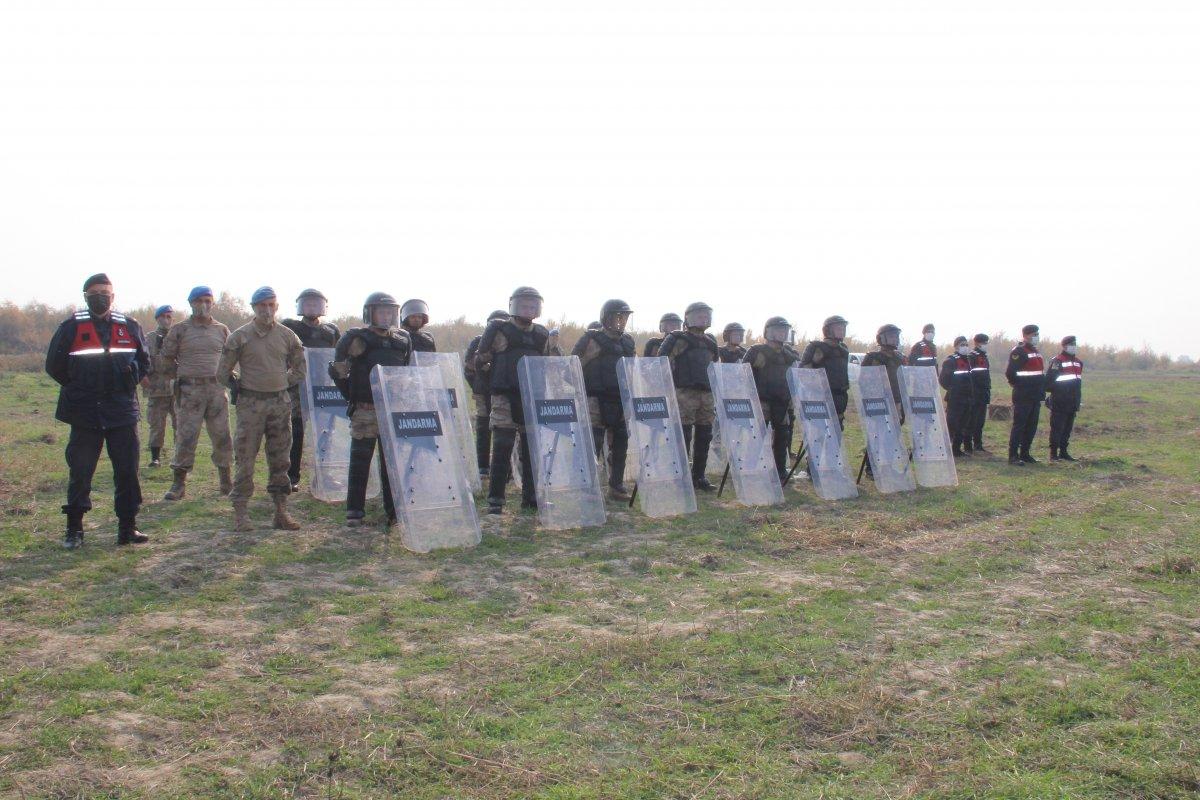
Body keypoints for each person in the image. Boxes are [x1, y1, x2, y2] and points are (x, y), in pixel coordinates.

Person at [45, 274, 150, 548]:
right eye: (95, 293)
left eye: (106, 292)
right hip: (84, 413)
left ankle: (128, 528)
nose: (101, 297)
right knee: (80, 472)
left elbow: (144, 360)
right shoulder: (70, 327)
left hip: (122, 412)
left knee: (127, 472)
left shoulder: (129, 326)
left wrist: (132, 375)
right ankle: (75, 531)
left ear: (113, 297)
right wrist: (78, 388)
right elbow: (54, 366)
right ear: (86, 296)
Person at [218, 287, 306, 531]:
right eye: (261, 306)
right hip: (251, 406)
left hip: (279, 404)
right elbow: (222, 372)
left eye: (271, 305)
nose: (266, 310)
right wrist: (240, 385)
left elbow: (300, 370)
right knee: (245, 458)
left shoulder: (288, 336)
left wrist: (279, 382)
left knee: (281, 460)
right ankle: (241, 513)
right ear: (253, 307)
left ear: (276, 307)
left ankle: (280, 512)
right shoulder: (240, 336)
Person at [331, 292, 411, 527]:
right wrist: (354, 397)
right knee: (360, 460)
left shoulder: (403, 339)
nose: (386, 317)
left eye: (390, 312)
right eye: (381, 312)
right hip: (365, 409)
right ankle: (355, 511)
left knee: (391, 462)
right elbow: (338, 372)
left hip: (392, 409)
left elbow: (405, 372)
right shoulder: (355, 338)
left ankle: (393, 511)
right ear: (370, 313)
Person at [476, 287, 549, 514]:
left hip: (530, 397)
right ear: (514, 306)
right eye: (524, 305)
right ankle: (496, 500)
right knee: (502, 447)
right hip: (504, 396)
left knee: (531, 450)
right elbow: (481, 362)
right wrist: (495, 386)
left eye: (532, 305)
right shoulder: (499, 330)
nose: (528, 309)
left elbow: (545, 363)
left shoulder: (541, 334)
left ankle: (530, 497)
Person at [160, 286, 234, 500]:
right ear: (191, 303)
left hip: (216, 390)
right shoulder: (180, 330)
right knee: (186, 436)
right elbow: (166, 358)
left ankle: (226, 481)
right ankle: (178, 484)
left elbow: (230, 356)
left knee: (222, 436)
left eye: (208, 300)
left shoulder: (222, 330)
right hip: (189, 390)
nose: (204, 305)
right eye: (199, 300)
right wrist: (182, 375)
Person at [573, 299, 636, 500]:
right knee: (593, 442)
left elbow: (633, 369)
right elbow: (570, 368)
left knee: (621, 442)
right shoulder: (589, 339)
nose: (622, 321)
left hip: (620, 398)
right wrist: (589, 357)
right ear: (606, 318)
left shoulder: (628, 341)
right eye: (618, 316)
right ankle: (587, 487)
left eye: (624, 317)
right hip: (595, 397)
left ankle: (616, 486)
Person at [281, 289, 340, 492]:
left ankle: (323, 476)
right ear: (300, 306)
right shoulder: (290, 327)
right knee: (294, 432)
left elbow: (337, 357)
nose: (312, 307)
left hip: (322, 387)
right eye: (308, 304)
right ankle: (291, 476)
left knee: (325, 433)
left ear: (323, 306)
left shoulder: (331, 331)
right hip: (297, 387)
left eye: (316, 304)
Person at [659, 301, 718, 491]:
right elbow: (661, 362)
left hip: (706, 394)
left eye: (706, 315)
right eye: (699, 315)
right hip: (684, 392)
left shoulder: (711, 341)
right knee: (683, 435)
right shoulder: (677, 339)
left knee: (705, 434)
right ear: (689, 318)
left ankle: (699, 476)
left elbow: (714, 365)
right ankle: (680, 476)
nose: (704, 318)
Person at [743, 316, 799, 482]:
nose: (782, 334)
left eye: (784, 331)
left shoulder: (789, 354)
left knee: (783, 435)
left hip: (782, 401)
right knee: (757, 435)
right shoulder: (756, 351)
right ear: (768, 332)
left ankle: (780, 470)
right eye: (778, 330)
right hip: (762, 400)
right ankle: (750, 469)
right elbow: (743, 374)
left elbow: (796, 375)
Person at [464, 309, 509, 477]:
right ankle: (482, 465)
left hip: (504, 390)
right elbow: (469, 366)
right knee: (483, 427)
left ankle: (507, 469)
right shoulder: (478, 341)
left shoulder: (509, 341)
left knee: (504, 429)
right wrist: (480, 379)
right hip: (483, 390)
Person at [1005, 324, 1045, 465]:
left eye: (1037, 334)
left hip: (1035, 395)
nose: (1036, 337)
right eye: (1034, 334)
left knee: (1031, 426)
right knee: (1020, 425)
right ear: (1026, 335)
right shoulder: (1019, 351)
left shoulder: (1036, 351)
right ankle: (1013, 456)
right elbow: (1010, 373)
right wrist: (1019, 385)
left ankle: (1025, 453)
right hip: (1023, 394)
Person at [800, 315, 851, 426]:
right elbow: (802, 373)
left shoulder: (843, 350)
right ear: (828, 330)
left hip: (840, 398)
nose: (842, 331)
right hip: (819, 397)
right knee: (816, 434)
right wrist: (813, 362)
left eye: (843, 328)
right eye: (838, 328)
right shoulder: (815, 347)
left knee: (836, 433)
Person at [143, 305, 176, 467]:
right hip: (156, 387)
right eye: (163, 317)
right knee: (157, 424)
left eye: (169, 317)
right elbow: (142, 359)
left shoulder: (178, 336)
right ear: (157, 319)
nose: (166, 320)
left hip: (177, 388)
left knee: (181, 423)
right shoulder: (148, 338)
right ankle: (155, 457)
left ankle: (180, 455)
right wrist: (143, 376)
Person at [1045, 335, 1083, 461]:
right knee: (1057, 428)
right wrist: (1059, 393)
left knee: (1067, 429)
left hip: (1073, 401)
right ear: (1065, 346)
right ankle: (1053, 453)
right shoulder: (1057, 361)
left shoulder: (1078, 362)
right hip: (1060, 401)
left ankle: (1064, 451)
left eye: (1075, 344)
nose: (1074, 346)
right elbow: (1049, 382)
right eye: (1072, 344)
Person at [939, 336, 976, 457]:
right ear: (956, 346)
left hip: (967, 398)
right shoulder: (950, 360)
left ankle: (956, 450)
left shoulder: (967, 360)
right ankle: (946, 449)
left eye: (966, 344)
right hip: (955, 399)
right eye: (962, 345)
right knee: (952, 424)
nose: (965, 347)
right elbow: (943, 380)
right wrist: (953, 390)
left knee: (962, 425)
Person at [861, 324, 907, 417]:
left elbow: (905, 380)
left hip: (896, 400)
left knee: (896, 428)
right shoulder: (872, 357)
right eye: (891, 336)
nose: (895, 339)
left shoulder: (900, 358)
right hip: (878, 401)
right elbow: (863, 382)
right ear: (881, 338)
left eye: (896, 336)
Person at [967, 333, 992, 453]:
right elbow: (970, 376)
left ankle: (978, 444)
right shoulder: (972, 356)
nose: (986, 345)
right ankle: (969, 445)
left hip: (984, 393)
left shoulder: (984, 356)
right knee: (972, 420)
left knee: (980, 421)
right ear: (977, 343)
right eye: (984, 343)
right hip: (975, 393)